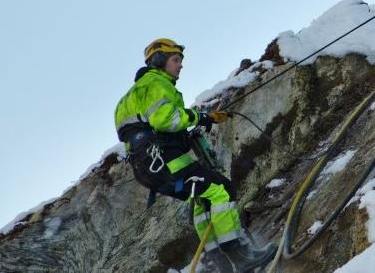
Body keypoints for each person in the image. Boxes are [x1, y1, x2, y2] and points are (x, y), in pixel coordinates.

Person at [114, 38, 275, 272]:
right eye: (175, 60)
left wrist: (189, 132)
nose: (180, 66)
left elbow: (150, 129)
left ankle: (221, 263)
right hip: (166, 162)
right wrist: (200, 117)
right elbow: (165, 119)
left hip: (149, 167)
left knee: (202, 200)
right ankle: (240, 256)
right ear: (159, 61)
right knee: (221, 190)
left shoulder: (130, 96)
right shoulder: (157, 84)